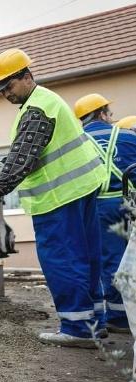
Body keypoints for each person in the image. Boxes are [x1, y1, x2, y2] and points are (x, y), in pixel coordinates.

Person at [0, 48, 107, 348]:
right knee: (86, 257)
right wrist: (5, 161)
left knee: (62, 260)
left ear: (27, 77)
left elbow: (26, 154)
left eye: (9, 86)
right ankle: (95, 322)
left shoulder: (36, 108)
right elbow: (32, 149)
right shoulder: (47, 101)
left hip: (58, 198)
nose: (5, 93)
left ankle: (78, 328)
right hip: (81, 188)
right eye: (1, 89)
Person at [73, 94, 136, 333]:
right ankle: (124, 314)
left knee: (108, 261)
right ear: (101, 114)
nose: (112, 117)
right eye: (109, 113)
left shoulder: (77, 141)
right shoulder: (129, 135)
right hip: (129, 204)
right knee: (129, 259)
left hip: (97, 206)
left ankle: (120, 317)